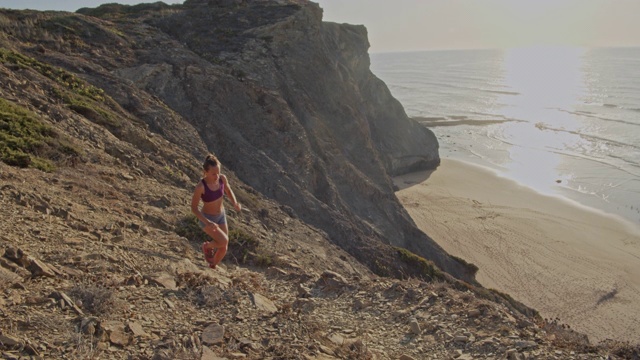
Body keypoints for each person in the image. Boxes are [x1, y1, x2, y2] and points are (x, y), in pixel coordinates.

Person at [191, 154, 241, 268]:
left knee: (224, 246)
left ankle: (212, 265)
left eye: (218, 172)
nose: (217, 176)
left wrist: (235, 203)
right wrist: (207, 222)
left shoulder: (222, 179)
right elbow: (194, 209)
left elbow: (228, 190)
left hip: (221, 215)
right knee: (223, 240)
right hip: (207, 218)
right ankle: (207, 246)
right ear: (205, 171)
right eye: (214, 173)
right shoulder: (201, 187)